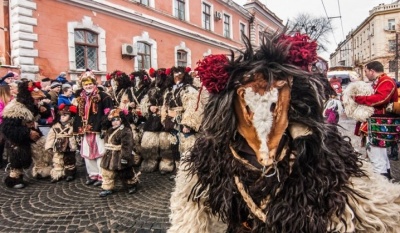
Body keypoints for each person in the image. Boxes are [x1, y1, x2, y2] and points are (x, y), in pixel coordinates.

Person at [169, 34, 400, 232]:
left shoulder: (320, 149)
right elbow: (189, 207)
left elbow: (376, 208)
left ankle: (385, 170)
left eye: (277, 89)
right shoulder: (213, 153)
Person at [0, 80, 53, 188]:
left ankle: (41, 170)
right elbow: (8, 128)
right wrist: (27, 133)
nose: (38, 101)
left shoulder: (32, 104)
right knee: (19, 154)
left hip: (32, 132)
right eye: (36, 99)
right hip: (17, 137)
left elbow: (43, 114)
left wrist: (45, 109)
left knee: (42, 146)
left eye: (39, 99)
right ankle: (15, 177)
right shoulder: (15, 108)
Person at [353, 61, 398, 179]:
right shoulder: (381, 81)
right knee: (381, 157)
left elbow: (380, 99)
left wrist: (358, 98)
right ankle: (388, 181)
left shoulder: (386, 81)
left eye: (366, 71)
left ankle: (382, 185)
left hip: (379, 125)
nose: (366, 74)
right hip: (377, 124)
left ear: (372, 71)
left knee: (377, 157)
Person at [73, 71, 113, 186]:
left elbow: (108, 112)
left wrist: (105, 126)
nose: (88, 86)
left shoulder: (103, 96)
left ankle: (102, 175)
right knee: (87, 152)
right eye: (85, 85)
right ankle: (93, 174)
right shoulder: (80, 98)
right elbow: (76, 115)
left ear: (94, 83)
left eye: (90, 84)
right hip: (84, 130)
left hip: (98, 128)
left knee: (100, 152)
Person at [99, 108, 140, 197]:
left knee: (125, 172)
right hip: (110, 154)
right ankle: (107, 187)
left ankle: (131, 185)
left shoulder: (125, 130)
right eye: (113, 120)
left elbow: (127, 146)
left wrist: (125, 158)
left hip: (120, 154)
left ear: (121, 119)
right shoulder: (109, 130)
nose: (115, 122)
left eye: (117, 119)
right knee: (107, 172)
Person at [45, 104, 78, 183]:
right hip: (58, 145)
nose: (62, 117)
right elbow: (51, 136)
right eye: (61, 115)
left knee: (69, 159)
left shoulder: (73, 126)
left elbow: (76, 136)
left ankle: (70, 173)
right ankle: (57, 174)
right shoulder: (55, 126)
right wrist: (49, 146)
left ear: (71, 116)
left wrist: (76, 145)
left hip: (69, 146)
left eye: (65, 115)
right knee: (57, 160)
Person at [0, 83, 11, 168]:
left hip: (5, 124)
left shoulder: (8, 100)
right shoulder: (1, 101)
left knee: (2, 143)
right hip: (1, 124)